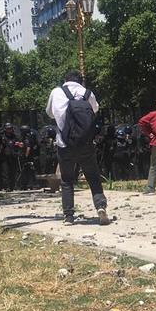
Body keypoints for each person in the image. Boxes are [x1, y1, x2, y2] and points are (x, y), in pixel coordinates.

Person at [45, 71, 110, 226]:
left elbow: (49, 113)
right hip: (86, 144)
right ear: (80, 81)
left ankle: (68, 216)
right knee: (93, 177)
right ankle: (100, 207)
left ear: (65, 79)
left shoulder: (57, 92)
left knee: (67, 180)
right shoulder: (87, 93)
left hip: (65, 144)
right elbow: (94, 110)